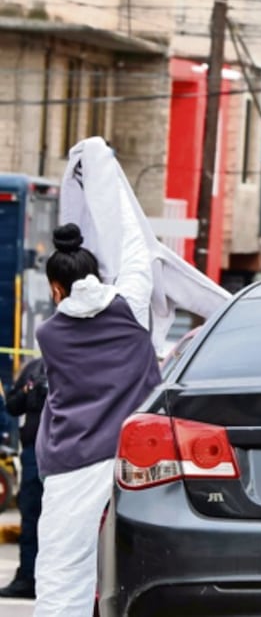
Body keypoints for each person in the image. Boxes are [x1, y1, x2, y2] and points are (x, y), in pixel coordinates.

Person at [32, 221, 161, 617]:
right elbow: (138, 253)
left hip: (72, 460)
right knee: (142, 565)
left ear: (55, 289)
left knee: (63, 569)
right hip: (134, 457)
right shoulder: (132, 307)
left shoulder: (48, 334)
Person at [0, 358, 47, 599]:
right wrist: (30, 390)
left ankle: (51, 580)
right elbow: (11, 405)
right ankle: (27, 578)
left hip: (70, 455)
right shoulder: (34, 368)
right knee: (30, 518)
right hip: (33, 454)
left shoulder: (81, 361)